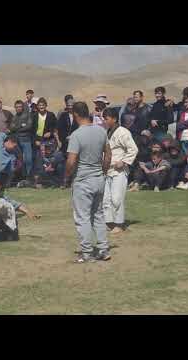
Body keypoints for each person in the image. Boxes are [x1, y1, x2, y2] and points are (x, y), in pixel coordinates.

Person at [65, 101, 112, 263]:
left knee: (83, 217)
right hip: (99, 178)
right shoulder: (101, 131)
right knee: (98, 215)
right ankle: (103, 249)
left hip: (83, 180)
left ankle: (86, 252)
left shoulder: (76, 135)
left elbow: (71, 161)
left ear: (75, 114)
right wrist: (103, 172)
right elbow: (108, 155)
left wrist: (66, 176)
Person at [102, 108, 138, 235]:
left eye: (106, 118)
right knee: (106, 198)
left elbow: (133, 149)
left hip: (119, 170)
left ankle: (119, 224)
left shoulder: (123, 132)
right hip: (107, 170)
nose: (104, 121)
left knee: (117, 198)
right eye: (104, 118)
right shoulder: (107, 132)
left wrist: (123, 161)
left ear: (114, 119)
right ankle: (109, 222)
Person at [9, 99, 34, 185]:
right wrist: (21, 125)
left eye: (20, 107)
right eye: (17, 107)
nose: (18, 108)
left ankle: (29, 177)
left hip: (26, 140)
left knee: (28, 160)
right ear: (15, 108)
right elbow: (11, 128)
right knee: (20, 160)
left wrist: (17, 127)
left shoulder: (28, 115)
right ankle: (23, 178)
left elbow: (29, 126)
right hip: (17, 141)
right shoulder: (14, 117)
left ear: (22, 107)